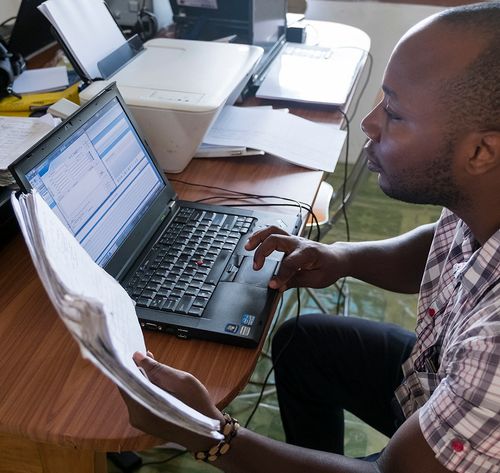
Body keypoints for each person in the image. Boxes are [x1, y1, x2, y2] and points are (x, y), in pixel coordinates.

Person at [120, 3, 500, 472]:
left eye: (396, 114)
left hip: (446, 434)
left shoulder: (494, 350)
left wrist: (209, 433)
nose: (370, 123)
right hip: (435, 377)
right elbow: (443, 245)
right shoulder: (484, 192)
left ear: (482, 150)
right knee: (304, 344)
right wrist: (341, 257)